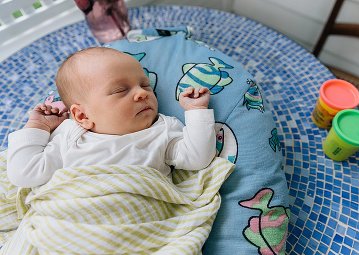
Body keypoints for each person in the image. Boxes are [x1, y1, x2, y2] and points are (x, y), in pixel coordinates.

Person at [6, 47, 216, 188]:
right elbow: (24, 174)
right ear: (82, 115)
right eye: (120, 90)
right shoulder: (72, 135)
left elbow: (198, 158)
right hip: (72, 215)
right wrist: (38, 126)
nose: (142, 93)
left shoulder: (161, 129)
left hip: (136, 216)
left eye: (145, 85)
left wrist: (196, 111)